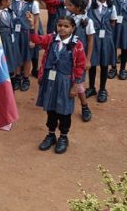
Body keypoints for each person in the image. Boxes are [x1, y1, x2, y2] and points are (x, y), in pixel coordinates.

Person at [27, 13, 86, 154]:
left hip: (66, 82)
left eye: (66, 26)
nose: (62, 28)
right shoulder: (51, 39)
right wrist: (32, 26)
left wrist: (75, 85)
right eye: (60, 25)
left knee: (64, 111)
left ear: (72, 28)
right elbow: (36, 39)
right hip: (50, 80)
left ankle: (63, 137)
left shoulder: (77, 44)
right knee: (51, 108)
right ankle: (51, 134)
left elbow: (80, 65)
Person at [87, 0, 118, 102]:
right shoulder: (90, 4)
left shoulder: (111, 6)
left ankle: (103, 89)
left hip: (106, 39)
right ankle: (91, 87)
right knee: (92, 64)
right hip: (93, 39)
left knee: (104, 65)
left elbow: (113, 22)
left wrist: (106, 31)